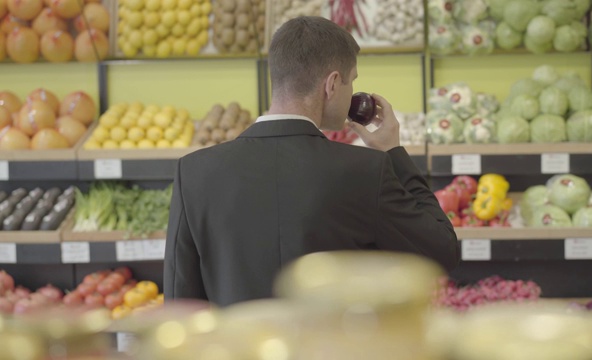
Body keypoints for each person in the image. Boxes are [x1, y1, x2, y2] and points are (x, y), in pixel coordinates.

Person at [164, 16, 458, 306]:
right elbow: (441, 251)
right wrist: (394, 153)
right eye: (351, 81)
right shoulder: (366, 170)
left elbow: (180, 302)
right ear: (331, 84)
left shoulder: (194, 171)